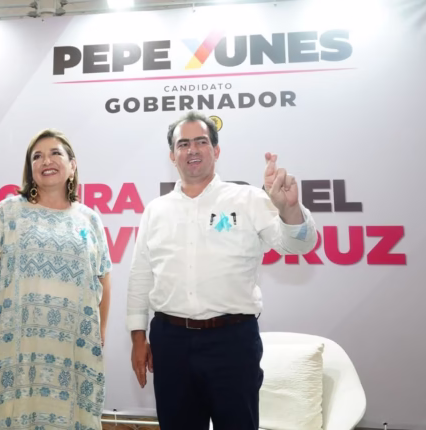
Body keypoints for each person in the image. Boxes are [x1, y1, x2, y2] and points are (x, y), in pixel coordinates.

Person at [127, 111, 317, 430]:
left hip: (232, 341)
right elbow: (140, 276)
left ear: (216, 150)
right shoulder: (156, 210)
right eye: (183, 144)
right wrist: (137, 337)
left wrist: (289, 209)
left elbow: (298, 245)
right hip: (170, 342)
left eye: (201, 141)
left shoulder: (249, 199)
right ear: (172, 155)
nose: (192, 149)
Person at [0, 129, 112, 430]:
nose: (46, 161)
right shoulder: (9, 211)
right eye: (37, 156)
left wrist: (99, 331)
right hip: (15, 352)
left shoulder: (89, 219)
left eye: (55, 153)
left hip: (71, 351)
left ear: (72, 165)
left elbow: (103, 276)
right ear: (30, 169)